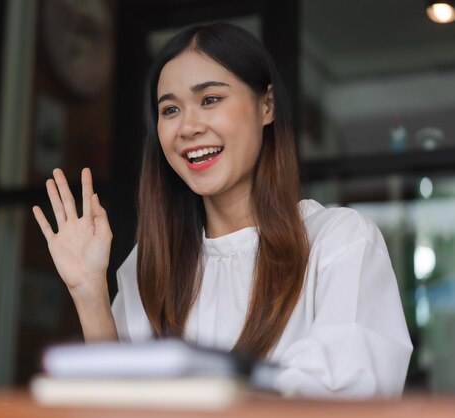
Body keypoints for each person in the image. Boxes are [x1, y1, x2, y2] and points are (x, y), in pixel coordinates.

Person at [32, 22, 412, 398]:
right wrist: (89, 291)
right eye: (169, 110)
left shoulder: (339, 242)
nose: (188, 126)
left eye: (210, 99)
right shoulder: (148, 266)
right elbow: (112, 403)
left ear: (267, 105)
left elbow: (342, 397)